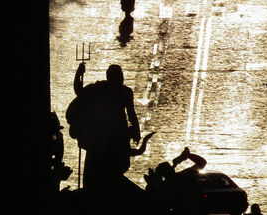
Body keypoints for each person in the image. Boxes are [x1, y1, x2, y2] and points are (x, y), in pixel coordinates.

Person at [71, 63, 141, 192]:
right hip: (101, 138)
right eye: (117, 76)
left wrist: (137, 131)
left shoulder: (125, 92)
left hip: (117, 137)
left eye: (120, 76)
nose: (120, 79)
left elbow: (131, 114)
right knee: (97, 169)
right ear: (109, 77)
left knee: (114, 169)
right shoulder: (99, 89)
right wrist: (79, 73)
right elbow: (79, 91)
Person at [144, 147, 207, 213]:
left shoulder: (163, 186)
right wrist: (188, 155)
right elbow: (202, 162)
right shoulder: (183, 175)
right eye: (169, 166)